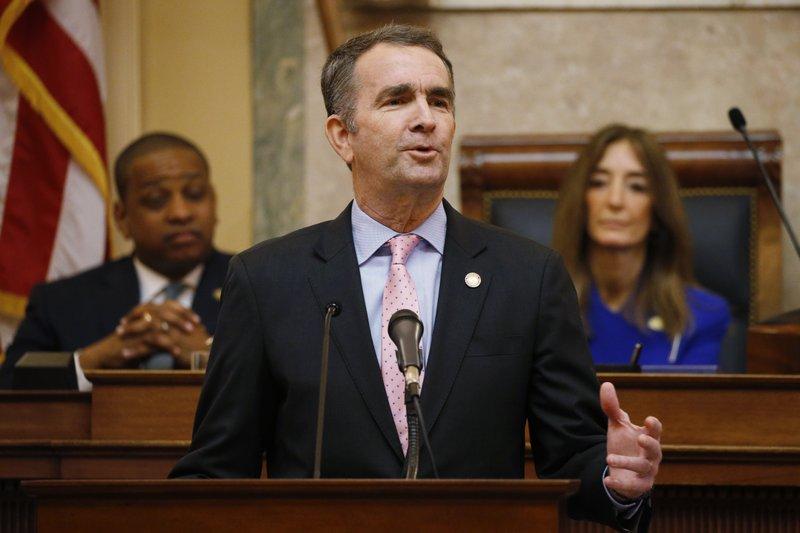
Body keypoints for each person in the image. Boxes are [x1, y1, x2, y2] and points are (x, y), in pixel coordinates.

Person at [170, 26, 661, 531]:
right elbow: (216, 471)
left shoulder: (528, 276)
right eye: (397, 100)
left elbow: (573, 455)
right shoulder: (267, 280)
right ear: (342, 136)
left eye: (440, 101)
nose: (426, 119)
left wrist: (616, 479)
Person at [0, 133, 231, 389]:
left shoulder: (257, 287)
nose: (180, 213)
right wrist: (91, 361)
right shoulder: (61, 301)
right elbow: (9, 384)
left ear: (214, 201)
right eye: (156, 200)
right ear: (121, 218)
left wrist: (208, 357)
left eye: (195, 194)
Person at [552, 124, 730, 368]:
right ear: (581, 201)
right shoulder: (543, 309)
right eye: (598, 183)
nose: (615, 201)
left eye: (636, 186)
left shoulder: (703, 316)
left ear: (657, 209)